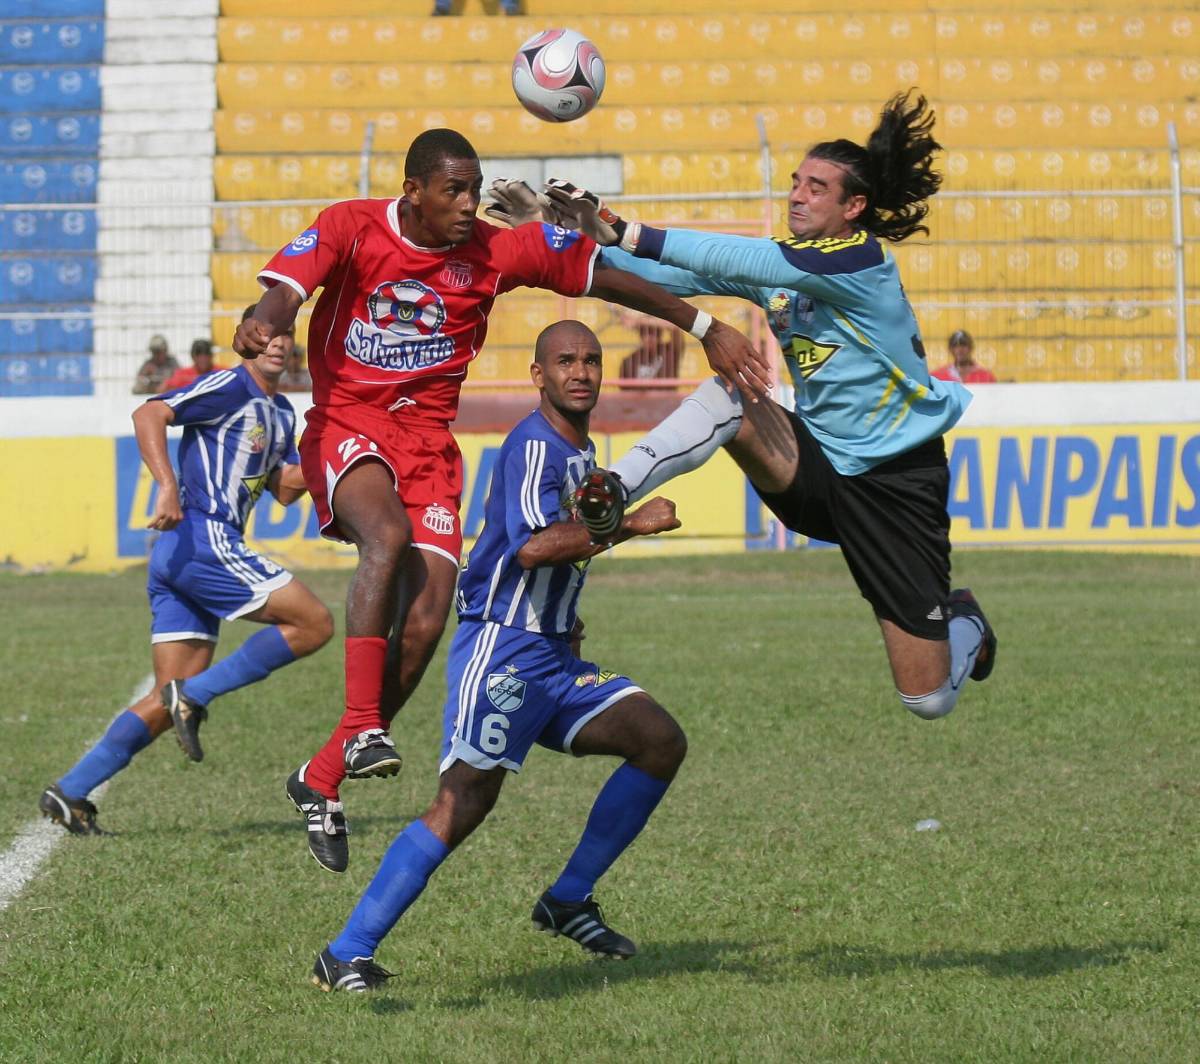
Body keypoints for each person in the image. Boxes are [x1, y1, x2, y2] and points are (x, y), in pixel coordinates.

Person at [232, 129, 765, 874]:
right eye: (452, 190)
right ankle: (360, 727)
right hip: (349, 424)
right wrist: (267, 318)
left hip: (427, 446)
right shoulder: (351, 224)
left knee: (422, 626)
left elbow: (602, 275)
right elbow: (287, 287)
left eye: (472, 188)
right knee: (383, 541)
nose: (466, 204)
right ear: (413, 190)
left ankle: (319, 777)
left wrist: (704, 325)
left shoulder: (491, 251)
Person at [544, 90, 997, 729]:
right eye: (795, 182)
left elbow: (740, 256)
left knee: (927, 700)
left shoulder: (862, 262)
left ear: (853, 208)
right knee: (731, 392)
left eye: (817, 187)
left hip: (896, 485)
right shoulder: (788, 269)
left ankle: (966, 621)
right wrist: (553, 240)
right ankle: (613, 486)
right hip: (819, 464)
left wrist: (628, 229)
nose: (797, 195)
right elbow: (655, 280)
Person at [310, 319, 686, 992]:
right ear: (538, 376)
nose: (581, 372)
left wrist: (570, 622)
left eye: (592, 360)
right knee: (461, 804)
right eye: (565, 361)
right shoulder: (535, 445)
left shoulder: (580, 448)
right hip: (504, 652)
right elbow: (532, 547)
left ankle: (568, 898)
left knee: (658, 740)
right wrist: (631, 525)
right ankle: (346, 951)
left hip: (555, 657)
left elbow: (559, 550)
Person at [39, 322, 333, 834]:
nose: (278, 342)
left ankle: (71, 791)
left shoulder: (282, 413)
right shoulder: (228, 386)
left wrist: (330, 445)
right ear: (246, 341)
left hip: (184, 555)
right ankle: (195, 695)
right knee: (315, 624)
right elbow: (149, 411)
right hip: (201, 538)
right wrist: (167, 486)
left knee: (164, 695)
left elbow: (284, 490)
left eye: (285, 333)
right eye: (267, 334)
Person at [932, 329, 997, 384]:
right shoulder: (939, 376)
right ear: (950, 349)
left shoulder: (986, 376)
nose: (959, 349)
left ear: (971, 347)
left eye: (963, 345)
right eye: (955, 346)